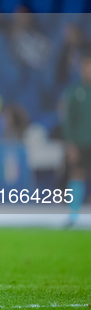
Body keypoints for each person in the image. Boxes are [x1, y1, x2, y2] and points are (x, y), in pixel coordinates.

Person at [62, 53, 91, 227]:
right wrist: (70, 143)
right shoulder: (75, 92)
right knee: (77, 176)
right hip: (80, 142)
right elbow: (68, 119)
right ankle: (73, 215)